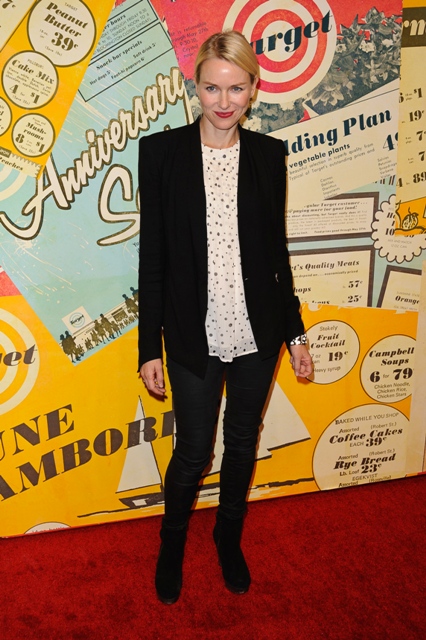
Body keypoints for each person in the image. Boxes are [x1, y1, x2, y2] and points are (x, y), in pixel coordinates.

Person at [138, 30, 313, 605]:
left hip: (258, 330)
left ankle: (227, 537)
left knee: (241, 442)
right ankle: (171, 542)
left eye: (236, 89)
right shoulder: (161, 154)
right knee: (193, 450)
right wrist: (148, 347)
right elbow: (152, 259)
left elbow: (277, 254)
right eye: (212, 88)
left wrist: (295, 333)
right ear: (195, 87)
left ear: (253, 90)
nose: (223, 101)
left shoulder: (267, 155)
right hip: (192, 332)